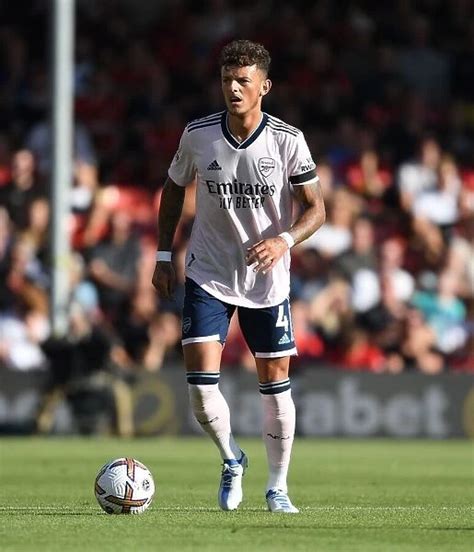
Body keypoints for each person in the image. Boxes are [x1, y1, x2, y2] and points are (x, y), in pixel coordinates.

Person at [152, 40, 325, 513]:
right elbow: (172, 190)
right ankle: (232, 458)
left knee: (274, 382)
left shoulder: (287, 140)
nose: (233, 88)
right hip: (208, 273)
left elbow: (316, 209)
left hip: (267, 280)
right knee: (201, 387)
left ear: (264, 86)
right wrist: (164, 253)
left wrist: (284, 241)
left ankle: (278, 487)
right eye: (227, 79)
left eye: (243, 80)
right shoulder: (198, 135)